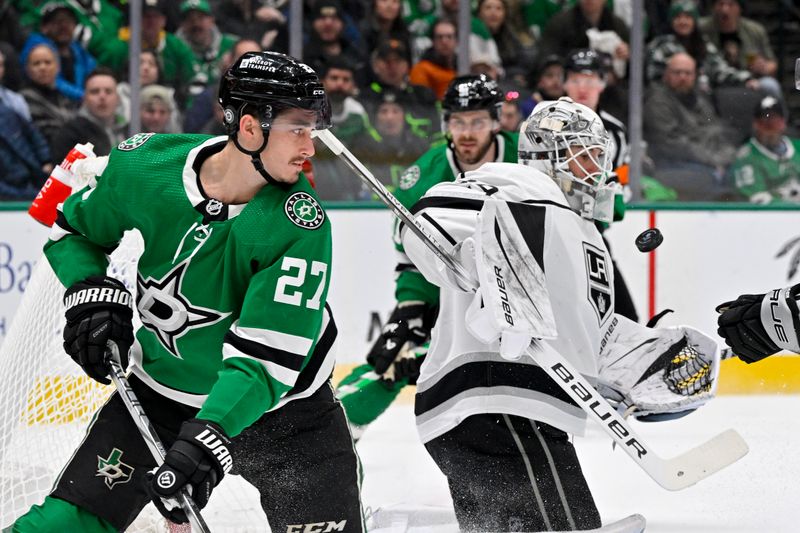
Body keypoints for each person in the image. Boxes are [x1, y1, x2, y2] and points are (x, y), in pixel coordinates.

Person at [10, 51, 364, 532]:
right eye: (297, 128)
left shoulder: (299, 221)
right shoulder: (147, 166)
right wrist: (89, 289)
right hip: (162, 398)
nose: (310, 147)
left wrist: (209, 437)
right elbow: (72, 232)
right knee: (65, 525)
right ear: (249, 127)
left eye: (312, 129)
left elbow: (265, 361)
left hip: (289, 413)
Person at [399, 96, 720, 531]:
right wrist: (493, 272)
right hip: (493, 397)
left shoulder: (579, 228)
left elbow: (592, 335)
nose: (596, 167)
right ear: (549, 155)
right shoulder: (521, 184)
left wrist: (647, 360)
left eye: (599, 155)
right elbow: (426, 222)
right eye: (584, 153)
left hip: (507, 407)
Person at [335, 74, 516, 437]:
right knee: (394, 359)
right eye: (457, 122)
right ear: (446, 124)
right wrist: (411, 307)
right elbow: (410, 258)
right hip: (450, 289)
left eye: (478, 122)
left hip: (517, 289)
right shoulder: (423, 177)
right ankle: (338, 424)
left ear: (497, 121)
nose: (467, 133)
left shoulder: (524, 162)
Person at [643, 52, 738, 200]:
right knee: (711, 179)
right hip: (671, 164)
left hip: (705, 160)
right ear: (666, 75)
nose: (683, 77)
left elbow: (716, 130)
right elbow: (671, 143)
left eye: (687, 73)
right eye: (677, 72)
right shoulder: (657, 100)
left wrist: (728, 156)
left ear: (695, 76)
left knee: (737, 171)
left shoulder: (699, 98)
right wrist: (712, 159)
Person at [21, 1, 97, 102]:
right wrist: (85, 96)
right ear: (44, 28)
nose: (64, 26)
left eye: (68, 21)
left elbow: (93, 70)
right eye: (57, 22)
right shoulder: (37, 47)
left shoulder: (76, 48)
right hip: (43, 101)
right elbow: (53, 81)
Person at [730, 96, 800, 204]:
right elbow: (757, 201)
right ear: (755, 125)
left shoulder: (797, 146)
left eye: (774, 124)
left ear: (783, 124)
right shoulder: (746, 157)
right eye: (764, 125)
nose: (769, 132)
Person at [50, 67, 126, 163]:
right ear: (84, 98)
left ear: (118, 98)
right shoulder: (69, 134)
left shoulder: (129, 128)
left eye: (108, 91)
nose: (102, 97)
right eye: (95, 91)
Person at [175, 0, 237, 89]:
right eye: (190, 19)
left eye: (200, 18)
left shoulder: (231, 45)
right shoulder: (175, 49)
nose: (196, 24)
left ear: (212, 20)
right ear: (182, 24)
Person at [408, 18, 457, 100]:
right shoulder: (421, 69)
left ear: (457, 40)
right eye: (439, 37)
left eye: (449, 37)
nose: (444, 41)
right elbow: (420, 104)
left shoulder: (463, 66)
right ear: (433, 41)